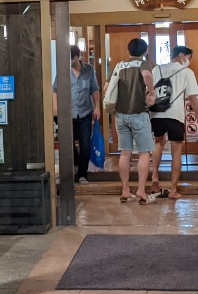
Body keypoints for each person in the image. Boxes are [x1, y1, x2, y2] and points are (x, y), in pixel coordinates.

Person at [150, 45, 198, 200]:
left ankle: (154, 177)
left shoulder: (157, 69)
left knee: (158, 143)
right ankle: (173, 190)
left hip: (156, 113)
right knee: (176, 151)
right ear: (182, 56)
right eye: (189, 57)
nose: (189, 61)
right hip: (176, 115)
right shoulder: (187, 72)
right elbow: (192, 97)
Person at [107, 37, 156, 204]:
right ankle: (141, 190)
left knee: (125, 152)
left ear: (129, 51)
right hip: (139, 114)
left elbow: (107, 87)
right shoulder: (144, 63)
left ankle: (125, 189)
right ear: (144, 51)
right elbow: (147, 75)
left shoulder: (119, 65)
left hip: (120, 115)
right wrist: (151, 93)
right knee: (144, 153)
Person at [52, 45, 100, 184]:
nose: (70, 61)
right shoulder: (63, 70)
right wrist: (55, 108)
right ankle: (76, 164)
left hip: (85, 112)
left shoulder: (89, 70)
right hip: (67, 113)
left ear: (78, 56)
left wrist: (97, 107)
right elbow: (55, 90)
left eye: (72, 58)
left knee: (85, 144)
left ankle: (82, 174)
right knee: (67, 143)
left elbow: (94, 89)